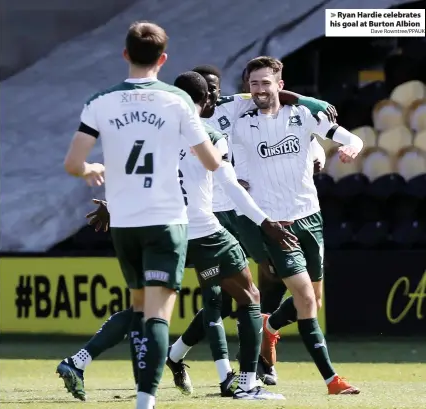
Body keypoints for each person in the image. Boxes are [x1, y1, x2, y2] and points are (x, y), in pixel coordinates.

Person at [62, 21, 222, 409]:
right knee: (158, 316)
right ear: (163, 59)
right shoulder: (177, 101)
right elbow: (212, 163)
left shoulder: (100, 101)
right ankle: (144, 404)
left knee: (139, 309)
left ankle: (88, 366)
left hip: (125, 224)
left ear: (125, 54)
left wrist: (91, 170)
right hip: (166, 220)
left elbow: (73, 163)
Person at [167, 65, 331, 387]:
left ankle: (253, 364)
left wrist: (312, 109)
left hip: (246, 212)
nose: (214, 94)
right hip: (210, 216)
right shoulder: (186, 124)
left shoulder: (239, 103)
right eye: (208, 90)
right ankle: (229, 375)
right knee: (220, 299)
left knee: (261, 286)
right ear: (199, 96)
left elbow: (280, 101)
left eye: (217, 88)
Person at [232, 56, 363, 395]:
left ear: (279, 82)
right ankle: (332, 380)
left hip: (310, 217)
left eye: (265, 82)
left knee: (313, 300)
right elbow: (241, 180)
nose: (260, 89)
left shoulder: (304, 114)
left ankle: (270, 328)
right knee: (305, 298)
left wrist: (350, 148)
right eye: (254, 83)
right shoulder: (242, 126)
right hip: (276, 226)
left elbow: (351, 138)